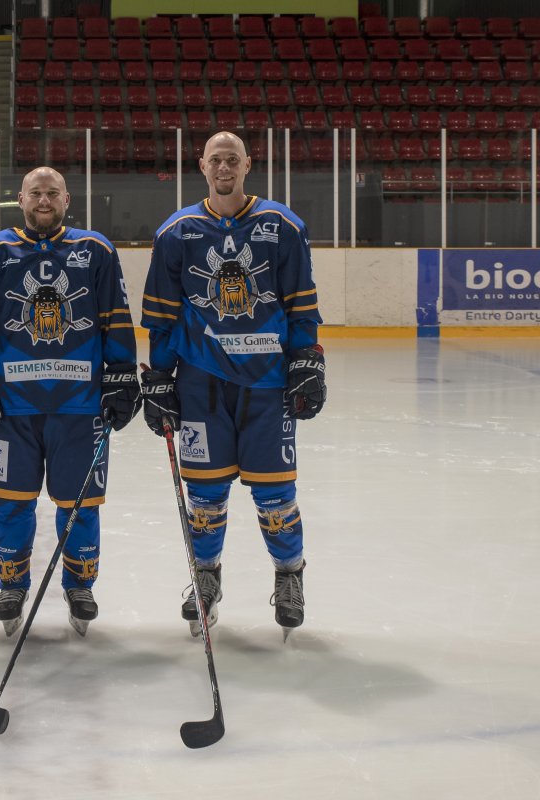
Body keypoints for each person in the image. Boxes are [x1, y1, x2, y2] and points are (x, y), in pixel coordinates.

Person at [139, 131, 326, 638]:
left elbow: (301, 304)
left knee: (276, 495)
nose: (224, 167)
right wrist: (159, 377)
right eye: (216, 160)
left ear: (248, 164)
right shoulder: (177, 232)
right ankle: (205, 576)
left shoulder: (282, 226)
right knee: (204, 494)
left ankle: (289, 575)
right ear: (202, 165)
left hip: (267, 386)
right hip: (201, 385)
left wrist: (307, 359)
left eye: (233, 160)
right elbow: (162, 317)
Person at [0, 166, 141, 637]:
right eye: (36, 193)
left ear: (66, 199)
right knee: (10, 502)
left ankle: (80, 586)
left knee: (80, 504)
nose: (44, 200)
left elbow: (116, 317)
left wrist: (121, 375)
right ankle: (11, 586)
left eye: (52, 193)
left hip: (80, 406)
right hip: (9, 408)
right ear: (19, 199)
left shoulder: (95, 250)